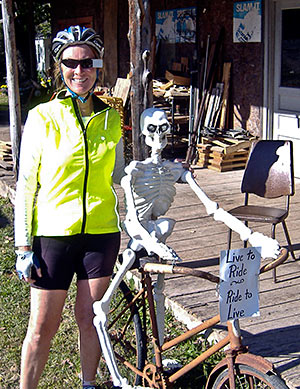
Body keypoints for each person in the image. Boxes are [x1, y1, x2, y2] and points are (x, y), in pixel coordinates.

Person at [14, 25, 125, 389]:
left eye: (87, 62)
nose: (80, 71)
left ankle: (89, 384)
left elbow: (121, 176)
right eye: (71, 63)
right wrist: (22, 247)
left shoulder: (111, 119)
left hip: (101, 234)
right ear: (60, 67)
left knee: (92, 319)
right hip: (53, 236)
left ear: (97, 66)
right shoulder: (43, 117)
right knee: (42, 326)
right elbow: (27, 184)